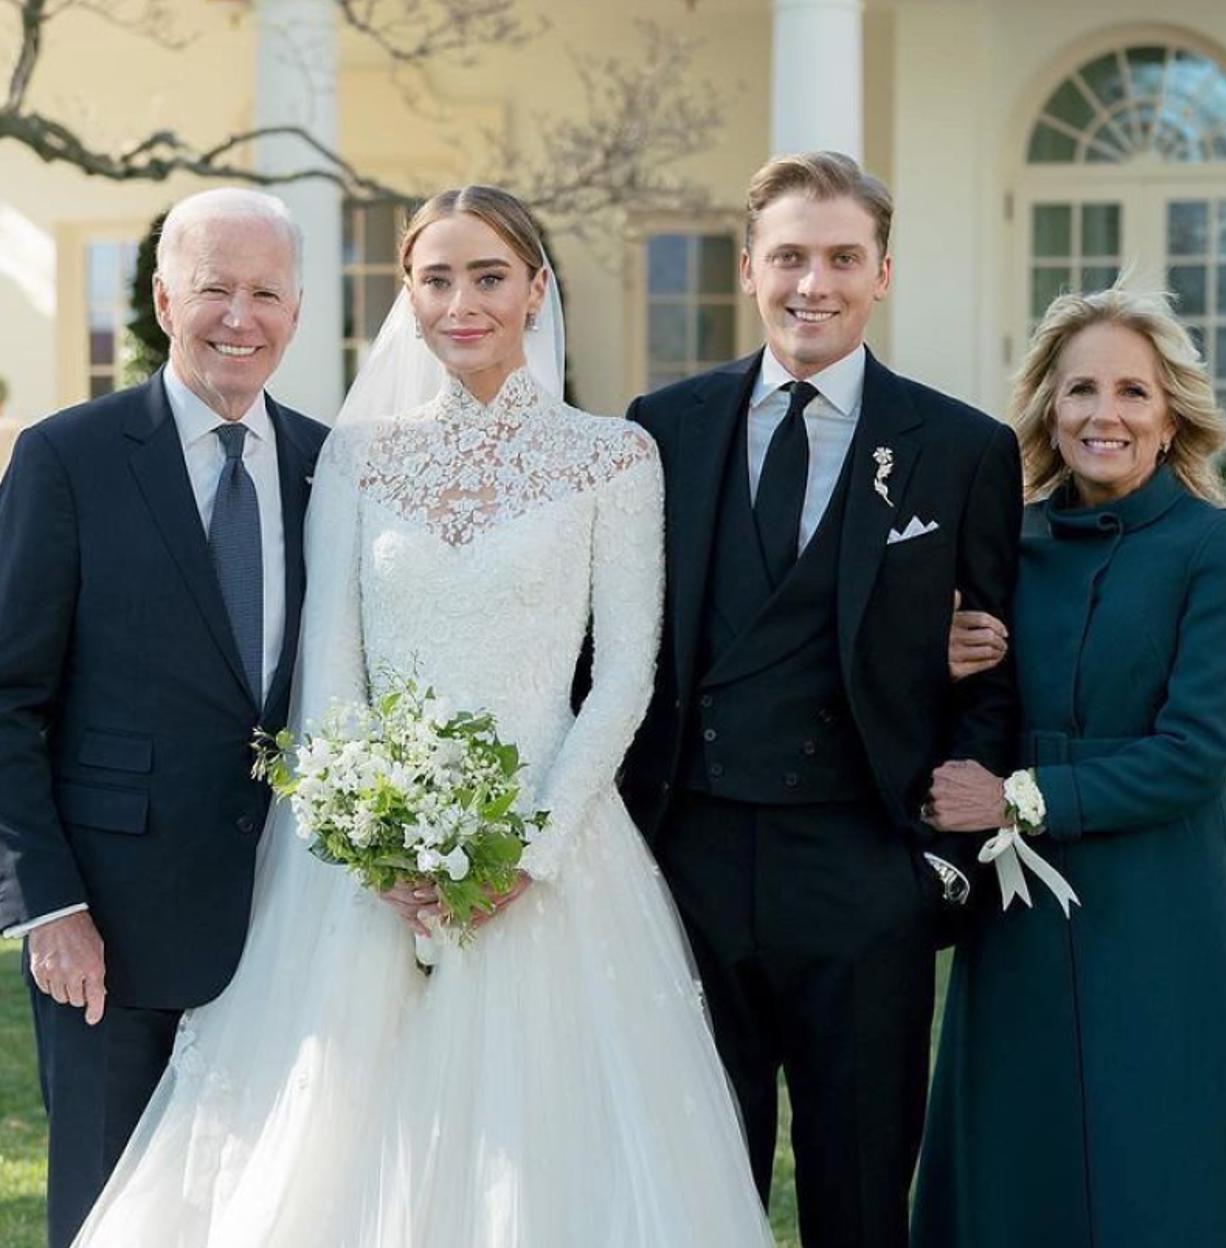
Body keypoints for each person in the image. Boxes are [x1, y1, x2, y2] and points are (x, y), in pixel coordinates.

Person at [67, 185, 776, 1247]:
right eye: (435, 278)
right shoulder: (357, 459)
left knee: (547, 1162)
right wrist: (377, 845)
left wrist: (524, 854)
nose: (461, 302)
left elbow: (625, 676)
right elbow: (331, 672)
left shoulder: (614, 457)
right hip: (369, 878)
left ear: (536, 288)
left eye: (488, 275)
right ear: (408, 293)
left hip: (554, 860)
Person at [620, 151, 1022, 1248]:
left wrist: (932, 866)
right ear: (749, 267)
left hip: (862, 868)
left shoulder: (965, 448)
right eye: (790, 256)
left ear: (882, 273)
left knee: (857, 1192)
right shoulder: (662, 428)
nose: (815, 283)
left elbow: (1000, 676)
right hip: (685, 863)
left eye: (843, 258)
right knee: (699, 1182)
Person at [0, 188, 326, 1248]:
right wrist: (49, 908)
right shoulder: (68, 458)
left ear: (298, 309)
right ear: (162, 297)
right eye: (215, 289)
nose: (241, 317)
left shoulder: (336, 468)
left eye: (266, 292)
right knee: (108, 1216)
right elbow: (8, 700)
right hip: (110, 937)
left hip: (292, 929)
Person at [913, 287, 1226, 1248]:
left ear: (1171, 412)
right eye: (1081, 390)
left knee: (1161, 1145)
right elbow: (971, 711)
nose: (1107, 414)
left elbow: (1196, 753)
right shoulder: (1002, 544)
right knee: (1022, 1138)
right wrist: (943, 662)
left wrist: (1020, 796)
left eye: (1134, 392)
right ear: (1048, 411)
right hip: (1022, 911)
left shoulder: (1217, 549)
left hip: (1162, 899)